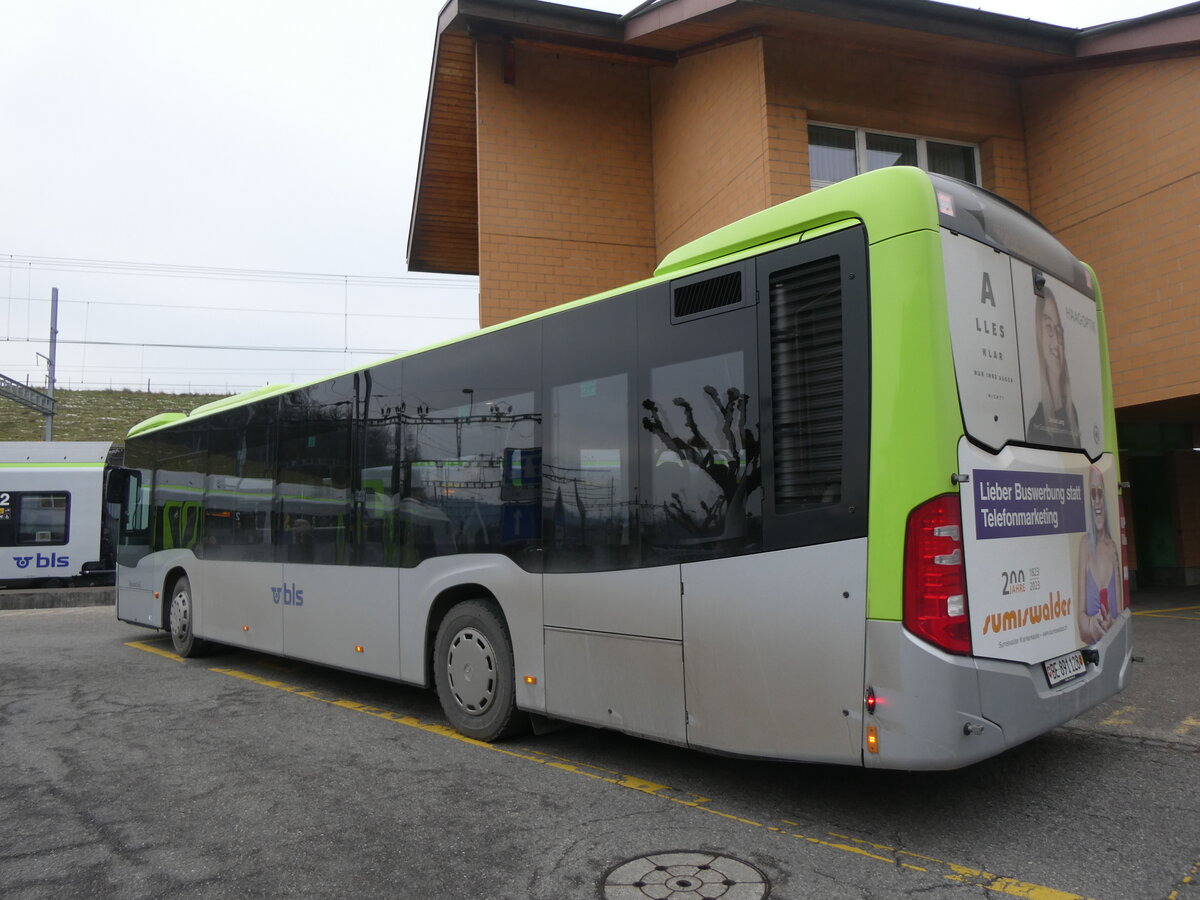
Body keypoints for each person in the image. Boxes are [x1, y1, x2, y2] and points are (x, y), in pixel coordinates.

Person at [1026, 284, 1081, 447]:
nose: (1057, 341)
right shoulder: (1036, 424)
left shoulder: (1071, 414)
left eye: (1058, 330)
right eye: (1049, 327)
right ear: (1039, 337)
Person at [1076, 466, 1121, 644]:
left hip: (1112, 647)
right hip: (1093, 650)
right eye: (1092, 495)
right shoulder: (1085, 545)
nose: (1097, 502)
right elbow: (1081, 621)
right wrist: (1091, 625)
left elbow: (1120, 614)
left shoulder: (1112, 547)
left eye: (1100, 494)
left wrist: (1112, 624)